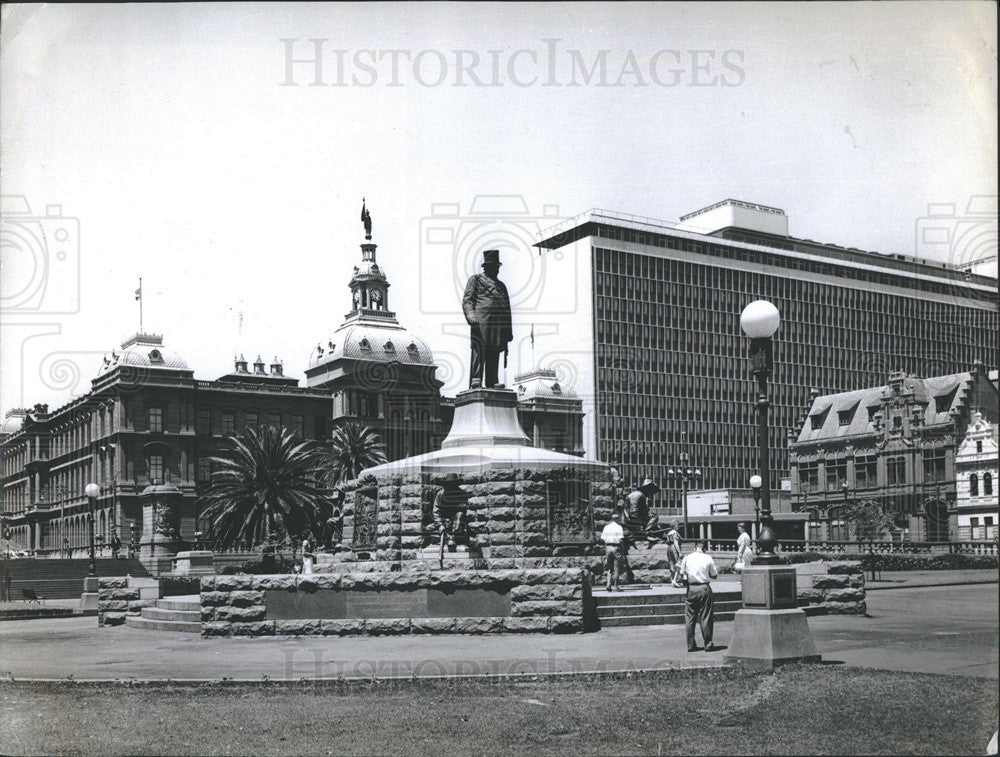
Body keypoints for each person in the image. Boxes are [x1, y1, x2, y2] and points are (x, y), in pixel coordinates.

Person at [462, 249, 513, 389]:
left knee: (494, 351)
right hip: (481, 321)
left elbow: (507, 310)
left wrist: (508, 331)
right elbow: (468, 300)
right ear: (487, 267)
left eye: (497, 267)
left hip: (498, 324)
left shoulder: (501, 286)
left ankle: (492, 380)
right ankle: (476, 378)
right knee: (479, 350)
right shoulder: (476, 280)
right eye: (494, 267)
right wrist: (471, 316)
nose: (496, 270)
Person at [680, 540, 718, 652]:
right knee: (705, 616)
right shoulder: (707, 558)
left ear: (695, 547)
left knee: (690, 617)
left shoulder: (687, 558)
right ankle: (708, 643)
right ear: (704, 548)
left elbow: (683, 574)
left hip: (691, 589)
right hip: (704, 588)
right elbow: (714, 575)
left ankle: (691, 644)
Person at [600, 513, 625, 591]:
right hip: (616, 547)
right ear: (617, 519)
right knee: (616, 566)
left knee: (609, 566)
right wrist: (622, 548)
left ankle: (608, 584)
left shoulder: (606, 527)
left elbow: (602, 538)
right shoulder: (619, 527)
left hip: (608, 547)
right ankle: (616, 586)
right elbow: (621, 539)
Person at [665, 522, 683, 588]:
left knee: (671, 563)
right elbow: (676, 543)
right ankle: (675, 580)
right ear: (674, 526)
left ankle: (672, 580)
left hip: (669, 548)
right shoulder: (675, 533)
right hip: (674, 548)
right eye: (677, 525)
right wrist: (680, 552)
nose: (678, 526)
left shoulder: (669, 533)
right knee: (678, 564)